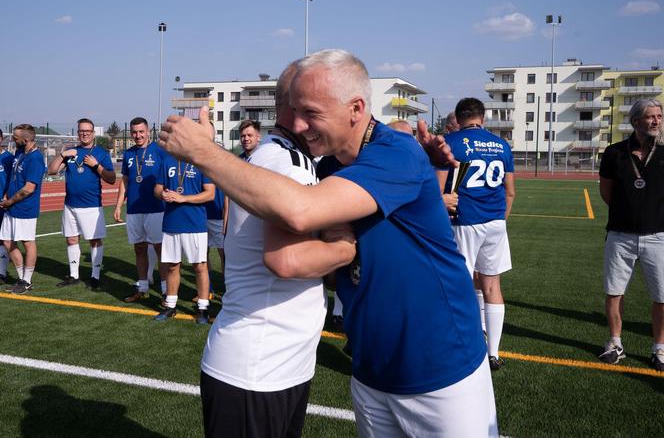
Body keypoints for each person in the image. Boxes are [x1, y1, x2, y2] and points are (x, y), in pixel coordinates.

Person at [159, 49, 497, 437]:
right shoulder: (327, 165)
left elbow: (300, 212)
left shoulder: (396, 153)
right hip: (370, 367)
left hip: (440, 365)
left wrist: (202, 152)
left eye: (311, 113)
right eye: (294, 110)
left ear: (355, 108)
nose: (298, 125)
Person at [200, 61, 357, 438]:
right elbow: (286, 260)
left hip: (276, 362)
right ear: (297, 105)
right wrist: (350, 248)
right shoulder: (286, 162)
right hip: (257, 366)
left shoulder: (290, 156)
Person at [439, 98, 516, 371]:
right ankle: (493, 353)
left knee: (459, 282)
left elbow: (442, 188)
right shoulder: (502, 145)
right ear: (482, 118)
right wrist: (498, 219)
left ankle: (465, 346)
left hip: (464, 220)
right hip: (495, 221)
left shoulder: (452, 142)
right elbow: (510, 191)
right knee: (492, 285)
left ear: (458, 119)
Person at [598, 98, 664, 371]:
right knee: (614, 292)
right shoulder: (614, 153)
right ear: (636, 121)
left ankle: (659, 348)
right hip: (620, 236)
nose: (657, 121)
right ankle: (615, 343)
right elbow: (606, 193)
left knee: (662, 296)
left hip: (658, 236)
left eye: (659, 116)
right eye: (650, 117)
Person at [47, 118, 116, 289]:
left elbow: (112, 179)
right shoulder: (71, 152)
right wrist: (63, 154)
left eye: (88, 131)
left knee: (94, 241)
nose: (84, 133)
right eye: (81, 131)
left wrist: (96, 165)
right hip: (70, 205)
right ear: (78, 133)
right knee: (71, 239)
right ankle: (73, 275)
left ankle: (95, 276)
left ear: (93, 133)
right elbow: (52, 170)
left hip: (91, 205)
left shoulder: (101, 153)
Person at [153, 151, 214, 323]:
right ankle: (170, 306)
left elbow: (210, 194)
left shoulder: (201, 159)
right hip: (171, 222)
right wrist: (162, 194)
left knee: (200, 267)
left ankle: (203, 308)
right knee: (172, 266)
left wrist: (183, 198)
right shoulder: (167, 161)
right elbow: (157, 188)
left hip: (195, 224)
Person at [114, 117, 167, 302]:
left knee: (161, 250)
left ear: (148, 132)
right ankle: (143, 287)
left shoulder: (159, 151)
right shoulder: (128, 154)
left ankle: (166, 290)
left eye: (141, 132)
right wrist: (119, 205)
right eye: (134, 132)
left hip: (156, 209)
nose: (138, 135)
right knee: (139, 248)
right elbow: (126, 181)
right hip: (134, 209)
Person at [0, 124, 45, 294]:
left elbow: (29, 188)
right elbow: (14, 178)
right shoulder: (19, 153)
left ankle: (27, 280)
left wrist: (10, 201)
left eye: (15, 137)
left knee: (28, 242)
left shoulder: (36, 159)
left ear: (25, 140)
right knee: (6, 240)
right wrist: (7, 196)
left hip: (25, 208)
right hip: (11, 206)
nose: (12, 139)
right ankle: (21, 278)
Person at [0, 130, 15, 283]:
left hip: (2, 204)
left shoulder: (9, 159)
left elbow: (13, 180)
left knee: (2, 239)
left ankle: (2, 273)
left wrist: (7, 197)